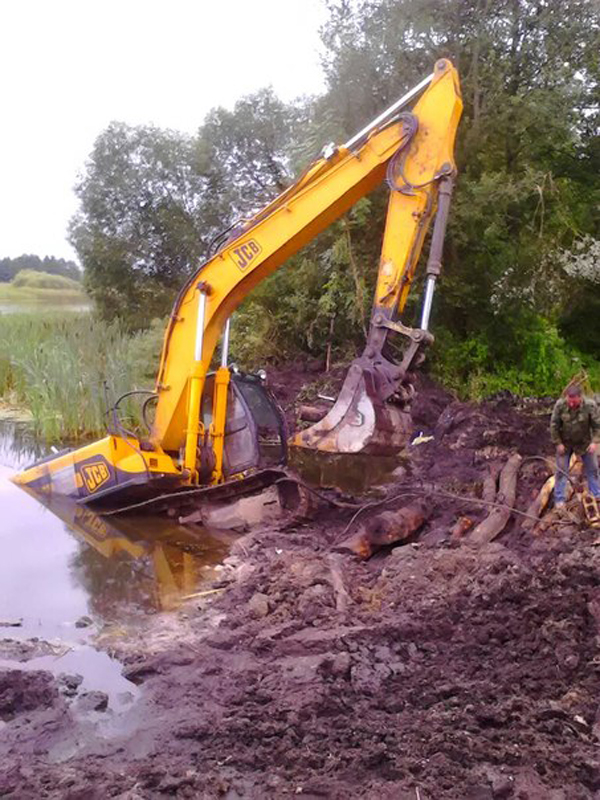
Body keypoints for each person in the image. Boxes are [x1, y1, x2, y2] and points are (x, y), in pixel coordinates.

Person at [550, 384, 600, 508]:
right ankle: (559, 499)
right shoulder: (560, 405)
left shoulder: (590, 406)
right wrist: (558, 443)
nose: (571, 404)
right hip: (565, 443)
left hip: (585, 443)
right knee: (561, 471)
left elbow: (597, 426)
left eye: (574, 401)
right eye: (569, 401)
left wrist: (594, 442)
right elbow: (554, 425)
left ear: (580, 398)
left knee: (593, 469)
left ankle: (597, 495)